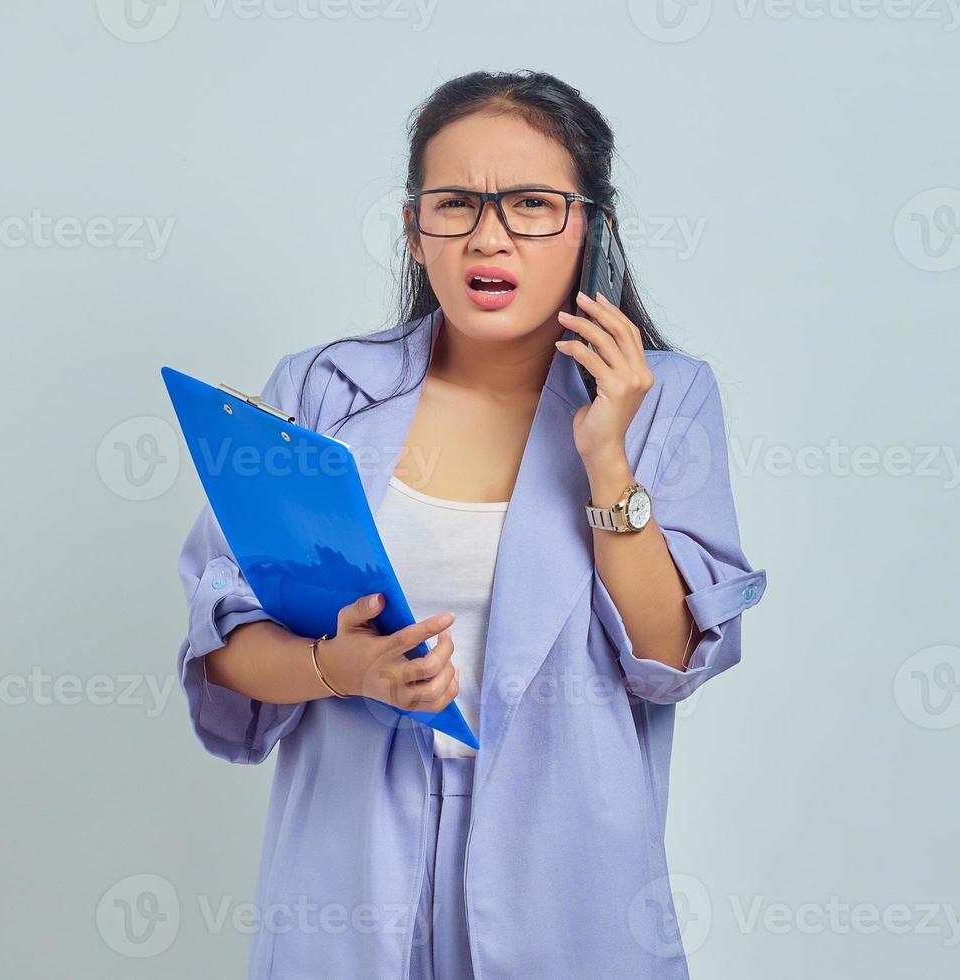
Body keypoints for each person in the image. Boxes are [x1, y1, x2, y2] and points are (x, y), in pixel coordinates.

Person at [173, 69, 767, 980]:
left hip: (565, 875)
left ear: (593, 232)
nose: (489, 237)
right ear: (416, 229)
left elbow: (668, 659)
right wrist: (344, 668)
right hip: (349, 870)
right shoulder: (321, 390)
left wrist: (606, 455)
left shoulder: (667, 403)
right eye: (454, 204)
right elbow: (223, 644)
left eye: (532, 204)